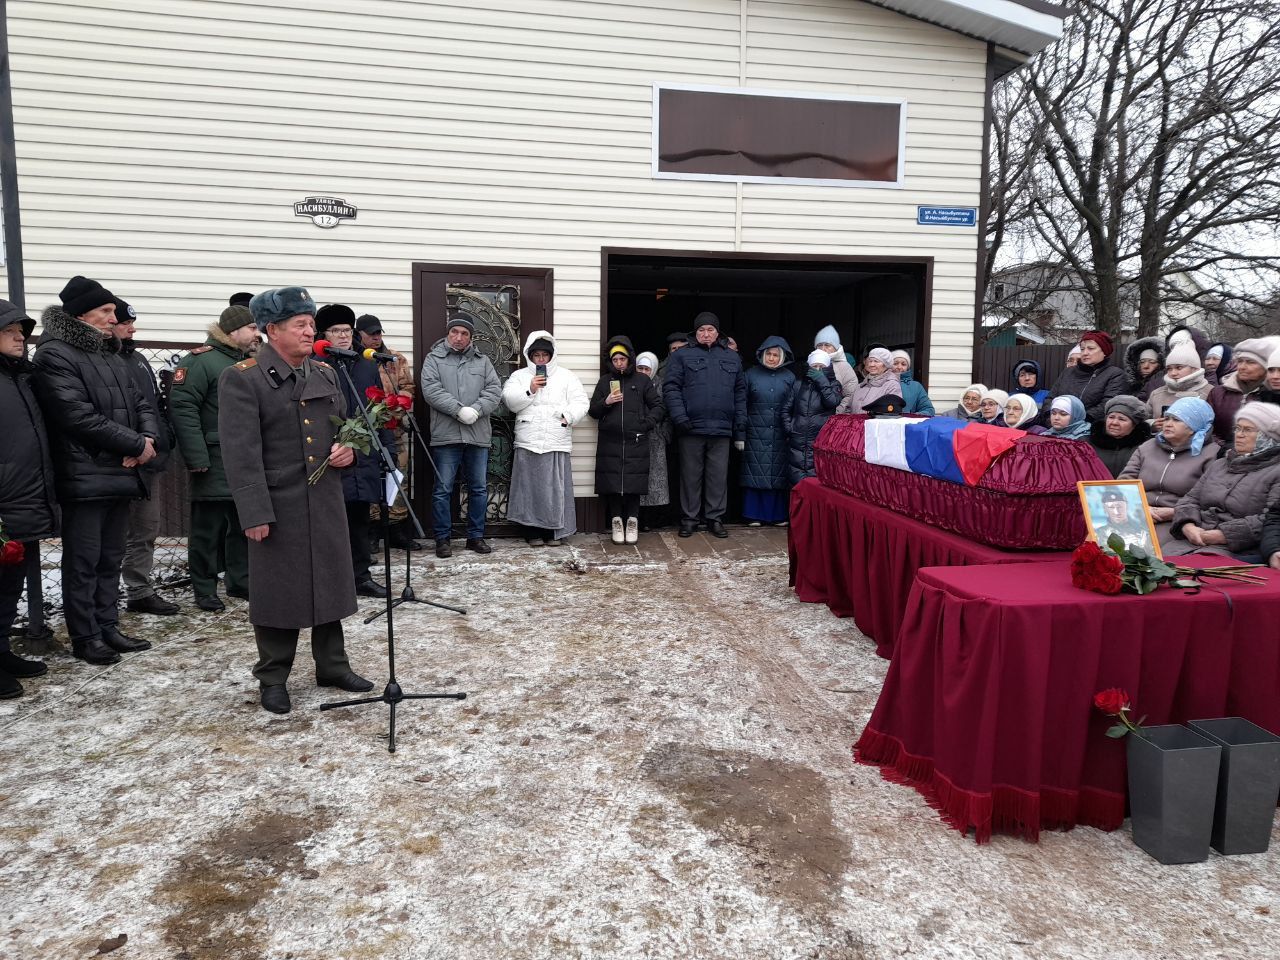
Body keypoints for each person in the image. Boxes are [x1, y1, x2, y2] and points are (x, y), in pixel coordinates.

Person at [219, 286, 373, 715]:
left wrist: (349, 450)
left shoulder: (323, 374)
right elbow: (240, 454)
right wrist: (253, 512)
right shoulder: (243, 378)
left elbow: (344, 429)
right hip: (276, 503)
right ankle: (272, 676)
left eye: (311, 324)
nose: (310, 332)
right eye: (300, 325)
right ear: (272, 330)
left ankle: (333, 667)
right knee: (277, 593)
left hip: (323, 499)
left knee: (329, 581)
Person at [33, 276, 159, 665]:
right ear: (80, 314)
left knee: (110, 557)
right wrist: (135, 444)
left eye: (112, 311)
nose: (113, 317)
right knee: (84, 562)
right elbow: (75, 416)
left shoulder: (111, 353)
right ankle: (85, 636)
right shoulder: (54, 355)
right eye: (105, 311)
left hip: (123, 471)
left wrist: (147, 441)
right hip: (84, 474)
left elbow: (143, 404)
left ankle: (108, 626)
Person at [169, 303, 258, 612]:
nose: (256, 332)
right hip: (213, 458)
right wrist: (197, 457)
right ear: (234, 331)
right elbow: (182, 408)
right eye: (252, 327)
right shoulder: (202, 362)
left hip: (246, 460)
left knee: (244, 524)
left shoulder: (250, 362)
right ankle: (204, 588)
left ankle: (240, 581)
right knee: (207, 530)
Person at [0, 300, 59, 698]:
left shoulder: (18, 378)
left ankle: (1, 650)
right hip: (3, 505)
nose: (21, 336)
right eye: (9, 331)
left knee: (8, 587)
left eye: (22, 330)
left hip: (22, 499)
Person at [110, 297, 180, 617]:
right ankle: (104, 597)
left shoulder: (137, 358)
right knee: (112, 535)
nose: (132, 328)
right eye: (125, 323)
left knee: (146, 529)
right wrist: (129, 447)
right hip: (117, 463)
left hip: (149, 459)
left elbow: (152, 404)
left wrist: (163, 438)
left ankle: (139, 590)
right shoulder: (103, 360)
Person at [315, 304, 390, 598]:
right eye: (336, 331)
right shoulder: (315, 365)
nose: (344, 336)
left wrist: (386, 450)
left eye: (347, 330)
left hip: (361, 454)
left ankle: (360, 576)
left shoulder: (366, 365)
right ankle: (330, 579)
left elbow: (377, 409)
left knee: (359, 518)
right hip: (327, 455)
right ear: (324, 335)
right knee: (329, 522)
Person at [420, 313, 502, 558]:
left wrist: (475, 410)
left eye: (464, 333)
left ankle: (475, 537)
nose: (459, 337)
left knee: (478, 488)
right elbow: (431, 390)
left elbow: (494, 390)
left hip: (477, 434)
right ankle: (442, 539)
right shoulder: (434, 359)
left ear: (470, 337)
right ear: (448, 333)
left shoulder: (483, 361)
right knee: (443, 488)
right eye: (454, 332)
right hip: (446, 435)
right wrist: (458, 410)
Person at [662, 312, 745, 539]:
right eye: (701, 330)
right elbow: (671, 388)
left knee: (718, 477)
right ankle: (690, 519)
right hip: (691, 427)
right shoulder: (682, 356)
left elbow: (740, 393)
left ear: (718, 333)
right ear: (695, 333)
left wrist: (739, 427)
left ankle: (714, 519)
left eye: (710, 330)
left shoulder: (732, 357)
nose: (706, 334)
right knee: (690, 476)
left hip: (721, 428)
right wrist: (680, 418)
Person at [503, 330, 588, 546]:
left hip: (556, 439)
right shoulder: (519, 376)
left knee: (554, 490)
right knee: (529, 489)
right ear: (529, 356)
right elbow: (510, 402)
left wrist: (567, 416)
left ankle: (552, 531)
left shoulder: (566, 376)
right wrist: (530, 389)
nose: (541, 359)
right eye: (536, 355)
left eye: (544, 355)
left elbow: (581, 402)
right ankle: (531, 531)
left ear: (551, 355)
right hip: (528, 439)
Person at [1168, 404, 1280, 561]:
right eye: (1237, 428)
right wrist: (1187, 526)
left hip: (1238, 551)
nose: (1239, 435)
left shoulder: (1276, 471)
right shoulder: (1220, 464)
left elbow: (1271, 519)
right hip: (1189, 541)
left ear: (1269, 436)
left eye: (1248, 430)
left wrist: (1223, 535)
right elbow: (1190, 499)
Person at [356, 313, 422, 551]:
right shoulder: (354, 359)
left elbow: (408, 387)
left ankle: (396, 530)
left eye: (378, 333)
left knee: (399, 479)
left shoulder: (395, 359)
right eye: (371, 334)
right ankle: (373, 530)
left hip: (393, 430)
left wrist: (397, 405)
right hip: (364, 434)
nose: (376, 338)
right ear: (359, 335)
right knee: (371, 480)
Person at [590, 336, 663, 543]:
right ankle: (616, 522)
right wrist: (606, 401)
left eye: (622, 359)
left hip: (636, 440)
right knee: (613, 484)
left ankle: (632, 521)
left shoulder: (642, 381)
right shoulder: (605, 381)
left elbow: (658, 406)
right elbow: (593, 411)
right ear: (610, 361)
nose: (619, 363)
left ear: (629, 359)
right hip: (610, 441)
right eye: (615, 360)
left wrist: (646, 423)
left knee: (633, 484)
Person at [1119, 397, 1220, 545]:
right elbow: (1124, 482)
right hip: (1136, 513)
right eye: (1167, 419)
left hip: (1178, 520)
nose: (1168, 424)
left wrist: (1174, 512)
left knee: (1145, 548)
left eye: (1177, 420)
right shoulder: (1147, 447)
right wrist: (1139, 507)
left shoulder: (1212, 454)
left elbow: (1208, 499)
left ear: (1194, 426)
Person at [741, 336, 796, 526]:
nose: (772, 358)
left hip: (781, 433)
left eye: (776, 355)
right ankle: (753, 514)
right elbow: (742, 404)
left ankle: (778, 515)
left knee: (778, 474)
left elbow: (793, 406)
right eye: (769, 354)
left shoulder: (789, 377)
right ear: (762, 355)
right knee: (755, 472)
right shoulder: (750, 374)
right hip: (755, 431)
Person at [783, 350, 842, 485]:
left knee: (816, 482)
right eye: (814, 366)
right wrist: (790, 428)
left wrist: (821, 380)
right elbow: (786, 409)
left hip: (820, 439)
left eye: (821, 367)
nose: (817, 370)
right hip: (797, 438)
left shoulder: (834, 384)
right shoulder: (798, 385)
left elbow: (832, 401)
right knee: (795, 482)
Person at [1207, 337, 1279, 446]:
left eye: (1250, 362)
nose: (1242, 367)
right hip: (1220, 455)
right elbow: (1206, 427)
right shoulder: (1217, 393)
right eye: (1240, 361)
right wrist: (1222, 447)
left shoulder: (1273, 396)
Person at [1045, 331, 1126, 423]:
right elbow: (1050, 398)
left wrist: (1076, 421)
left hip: (1087, 429)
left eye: (1090, 348)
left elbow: (1107, 405)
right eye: (1082, 349)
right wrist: (1050, 417)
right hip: (1055, 425)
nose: (1085, 353)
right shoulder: (1068, 372)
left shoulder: (1115, 375)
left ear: (1104, 352)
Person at [634, 351, 672, 529]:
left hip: (656, 437)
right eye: (640, 368)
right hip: (636, 436)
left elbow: (667, 409)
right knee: (638, 477)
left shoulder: (661, 385)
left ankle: (653, 519)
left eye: (646, 368)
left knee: (655, 480)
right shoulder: (631, 383)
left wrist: (664, 432)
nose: (643, 372)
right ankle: (639, 518)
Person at [1145, 340, 1213, 424]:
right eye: (1169, 368)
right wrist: (1152, 424)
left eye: (1179, 367)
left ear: (1194, 368)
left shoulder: (1211, 392)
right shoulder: (1157, 394)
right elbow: (1141, 420)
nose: (1173, 373)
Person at [1087, 395, 1151, 477]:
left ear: (1134, 424)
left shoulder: (1146, 447)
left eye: (1122, 419)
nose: (1114, 423)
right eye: (1111, 417)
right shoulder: (1086, 445)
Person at [813, 325, 859, 412]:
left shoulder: (844, 366)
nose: (823, 349)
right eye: (819, 345)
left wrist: (836, 412)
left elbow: (851, 395)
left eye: (827, 345)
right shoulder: (809, 365)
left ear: (836, 347)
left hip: (833, 418)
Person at [845, 347, 901, 415]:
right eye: (870, 361)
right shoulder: (860, 386)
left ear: (886, 365)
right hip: (855, 425)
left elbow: (892, 413)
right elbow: (848, 410)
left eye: (876, 361)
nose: (872, 365)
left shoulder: (892, 385)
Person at [889, 351, 935, 415]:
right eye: (895, 363)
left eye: (903, 364)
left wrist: (913, 416)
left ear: (908, 367)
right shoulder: (881, 383)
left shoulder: (916, 386)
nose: (899, 367)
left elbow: (929, 410)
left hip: (908, 424)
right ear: (889, 365)